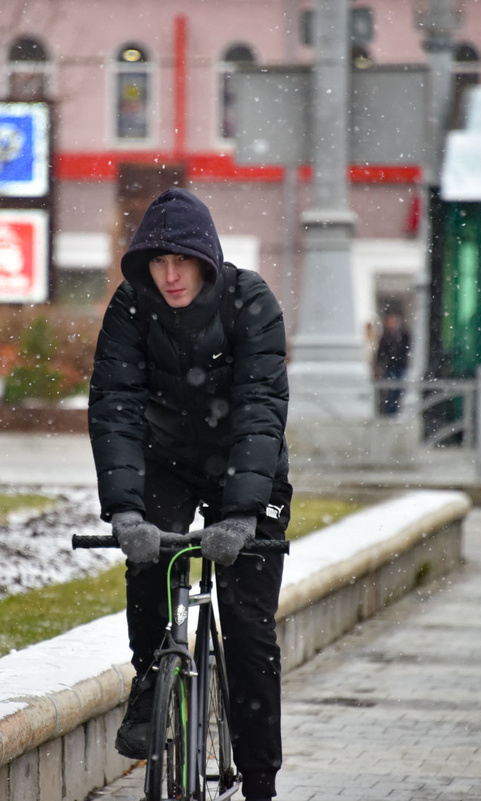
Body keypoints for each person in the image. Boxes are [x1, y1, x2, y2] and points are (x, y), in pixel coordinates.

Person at [88, 187, 291, 801]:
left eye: (181, 261)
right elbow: (115, 408)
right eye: (157, 262)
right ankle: (151, 682)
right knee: (148, 564)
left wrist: (242, 515)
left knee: (249, 625)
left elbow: (261, 410)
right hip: (167, 462)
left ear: (206, 259)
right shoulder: (130, 308)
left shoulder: (251, 302)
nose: (169, 275)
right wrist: (125, 511)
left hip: (247, 469)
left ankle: (259, 781)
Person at [373, 307, 410, 416]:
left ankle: (394, 412)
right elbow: (381, 352)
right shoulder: (385, 336)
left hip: (400, 367)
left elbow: (405, 350)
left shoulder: (404, 335)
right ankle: (389, 413)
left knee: (397, 391)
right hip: (390, 367)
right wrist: (379, 365)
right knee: (389, 392)